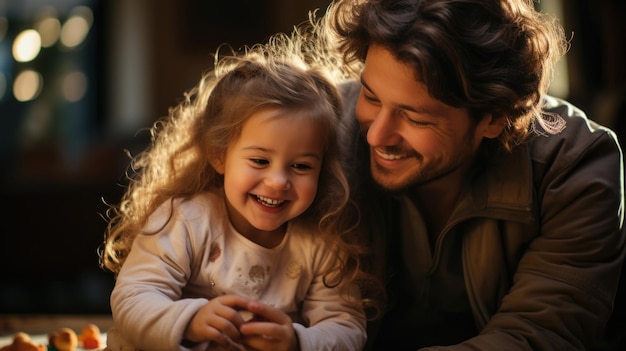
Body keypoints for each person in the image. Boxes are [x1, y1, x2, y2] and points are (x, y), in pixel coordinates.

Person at [292, 0, 626, 350]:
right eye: (371, 97)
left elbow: (539, 335)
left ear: (493, 119)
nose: (376, 135)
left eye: (415, 118)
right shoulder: (320, 134)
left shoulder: (573, 164)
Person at [99, 42, 382, 351]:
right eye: (260, 161)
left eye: (301, 166)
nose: (277, 182)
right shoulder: (187, 219)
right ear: (219, 155)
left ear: (322, 170)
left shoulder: (322, 240)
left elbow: (347, 327)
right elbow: (133, 297)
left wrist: (297, 341)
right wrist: (190, 321)